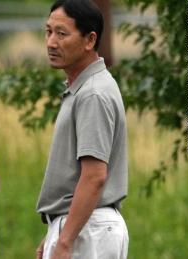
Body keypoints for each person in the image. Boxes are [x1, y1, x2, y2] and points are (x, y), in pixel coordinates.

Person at [35, 1, 129, 259]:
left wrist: (66, 239)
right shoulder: (85, 88)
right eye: (48, 31)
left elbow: (94, 176)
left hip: (89, 231)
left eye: (62, 33)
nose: (51, 42)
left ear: (90, 40)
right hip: (86, 227)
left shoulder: (93, 94)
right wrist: (56, 231)